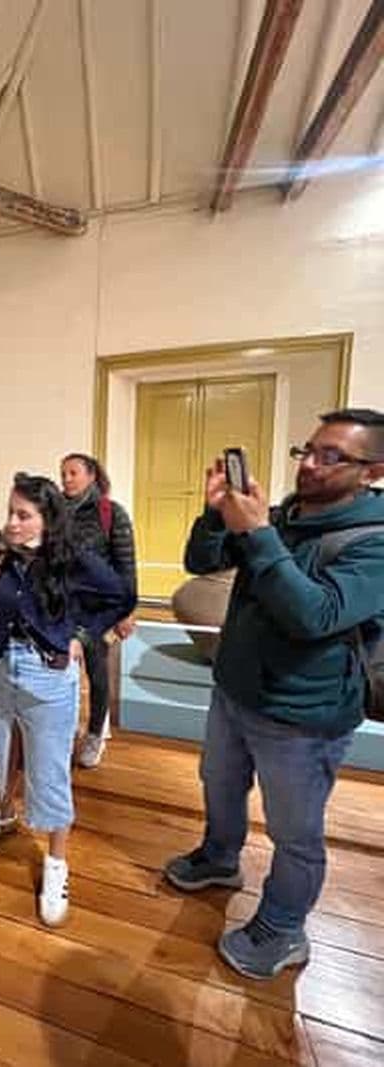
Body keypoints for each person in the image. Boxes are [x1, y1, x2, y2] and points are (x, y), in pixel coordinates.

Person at [163, 409, 384, 980]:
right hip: (235, 690)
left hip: (303, 718)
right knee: (220, 781)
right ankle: (219, 857)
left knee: (294, 832)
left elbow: (313, 616)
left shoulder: (374, 541)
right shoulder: (284, 515)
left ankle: (284, 927)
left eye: (331, 456)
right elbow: (203, 562)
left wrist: (259, 534)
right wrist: (218, 517)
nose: (310, 464)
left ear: (373, 471)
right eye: (307, 450)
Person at [0, 473, 136, 926]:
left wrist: (82, 634)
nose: (12, 523)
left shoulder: (71, 559)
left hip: (50, 676)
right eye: (10, 513)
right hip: (3, 670)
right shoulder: (0, 551)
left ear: (47, 520)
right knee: (2, 757)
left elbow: (121, 595)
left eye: (23, 515)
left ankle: (57, 862)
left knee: (51, 774)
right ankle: (3, 812)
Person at [60, 452, 137, 767]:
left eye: (73, 473)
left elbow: (126, 564)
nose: (66, 479)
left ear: (91, 476)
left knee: (97, 673)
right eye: (63, 473)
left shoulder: (111, 513)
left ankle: (95, 735)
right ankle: (66, 730)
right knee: (64, 674)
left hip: (98, 611)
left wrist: (127, 611)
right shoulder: (56, 513)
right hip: (63, 609)